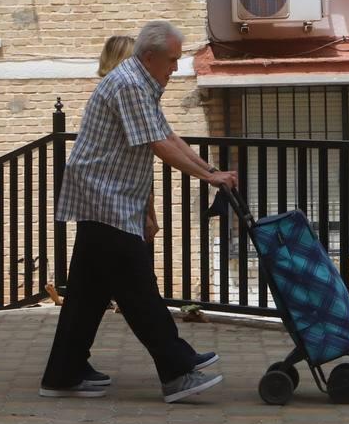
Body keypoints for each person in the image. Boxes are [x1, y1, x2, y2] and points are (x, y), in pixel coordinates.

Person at [41, 21, 239, 403]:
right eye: (172, 60)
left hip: (110, 198)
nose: (175, 69)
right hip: (104, 198)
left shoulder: (142, 82)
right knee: (138, 291)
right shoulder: (131, 84)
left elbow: (167, 134)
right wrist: (208, 178)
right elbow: (158, 144)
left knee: (87, 294)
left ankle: (63, 373)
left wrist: (209, 170)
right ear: (149, 57)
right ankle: (177, 370)